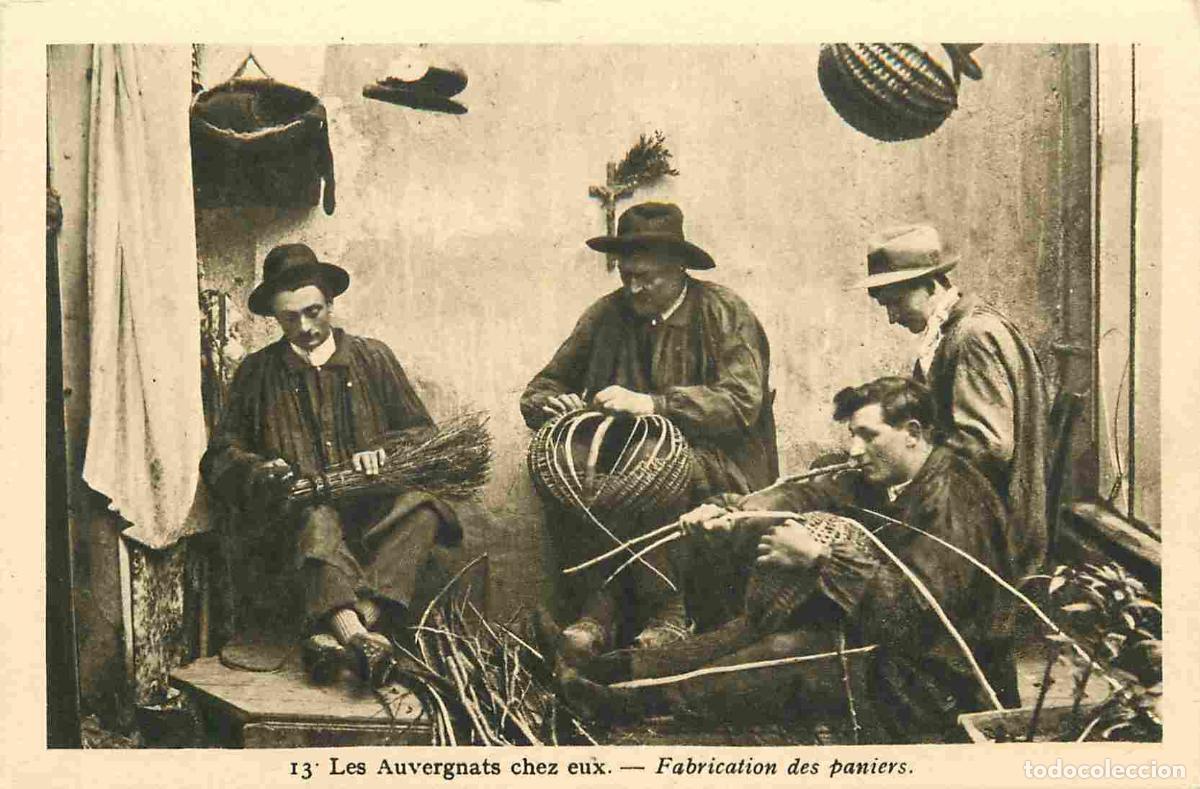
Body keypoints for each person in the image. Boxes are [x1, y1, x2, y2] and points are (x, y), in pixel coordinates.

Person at [560, 377, 1020, 743]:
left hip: (930, 679)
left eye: (868, 436)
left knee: (773, 657)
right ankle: (608, 670)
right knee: (741, 633)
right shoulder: (889, 476)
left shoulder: (956, 498)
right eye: (852, 436)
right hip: (875, 631)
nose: (855, 450)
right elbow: (812, 489)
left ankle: (616, 704)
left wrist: (820, 557)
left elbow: (916, 615)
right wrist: (736, 514)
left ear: (913, 434)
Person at [521, 201, 778, 665]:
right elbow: (544, 385)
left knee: (652, 470)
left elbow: (742, 402)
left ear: (679, 268)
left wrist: (656, 405)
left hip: (722, 466)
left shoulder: (723, 311)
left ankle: (664, 611)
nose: (634, 287)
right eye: (626, 275)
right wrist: (551, 403)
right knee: (573, 471)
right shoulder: (606, 314)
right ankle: (602, 609)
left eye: (648, 278)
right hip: (626, 465)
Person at [201, 243, 463, 687]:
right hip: (300, 527)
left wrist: (384, 449)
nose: (304, 327)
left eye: (314, 312)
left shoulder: (372, 358)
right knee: (317, 518)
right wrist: (258, 472)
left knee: (424, 513)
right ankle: (363, 636)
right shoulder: (257, 373)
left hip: (374, 516)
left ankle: (340, 632)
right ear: (275, 318)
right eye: (289, 318)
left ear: (331, 303)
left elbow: (422, 433)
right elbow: (220, 456)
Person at [854, 224, 1049, 581]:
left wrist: (909, 466)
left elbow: (988, 446)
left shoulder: (974, 336)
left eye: (896, 302)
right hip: (963, 508)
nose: (892, 317)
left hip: (991, 529)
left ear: (930, 285)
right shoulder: (946, 335)